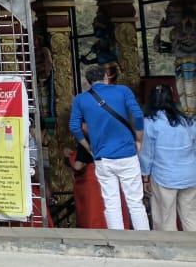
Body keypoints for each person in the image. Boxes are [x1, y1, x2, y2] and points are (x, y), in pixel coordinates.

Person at [69, 65, 149, 230]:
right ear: (106, 77)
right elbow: (138, 115)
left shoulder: (81, 99)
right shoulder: (123, 91)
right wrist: (139, 139)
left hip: (102, 158)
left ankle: (118, 241)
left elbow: (74, 127)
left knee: (111, 203)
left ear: (88, 82)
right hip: (127, 154)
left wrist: (89, 147)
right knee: (135, 202)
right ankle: (144, 241)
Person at [140, 86, 196, 231]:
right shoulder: (188, 121)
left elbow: (147, 153)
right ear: (172, 99)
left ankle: (169, 251)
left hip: (164, 177)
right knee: (190, 216)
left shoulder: (151, 122)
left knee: (165, 217)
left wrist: (145, 177)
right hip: (190, 176)